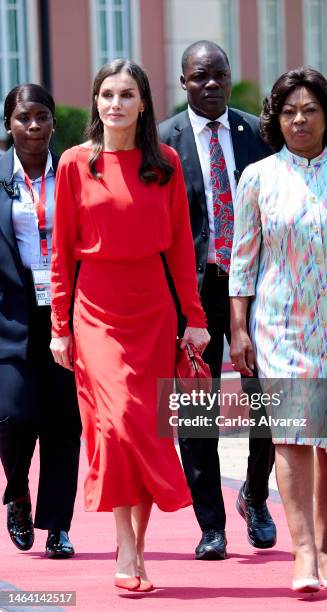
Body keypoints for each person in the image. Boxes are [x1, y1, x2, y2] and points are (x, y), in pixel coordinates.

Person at [49, 59, 209, 591]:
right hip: (95, 308)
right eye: (107, 94)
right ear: (96, 102)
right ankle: (124, 541)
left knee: (144, 429)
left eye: (127, 94)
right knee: (117, 427)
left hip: (153, 308)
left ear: (143, 104)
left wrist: (195, 318)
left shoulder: (162, 162)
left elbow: (183, 250)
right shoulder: (75, 163)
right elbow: (62, 251)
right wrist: (60, 325)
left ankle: (137, 547)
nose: (115, 103)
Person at [229, 67, 327, 592]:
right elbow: (243, 259)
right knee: (292, 435)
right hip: (280, 324)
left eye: (310, 109)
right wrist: (239, 328)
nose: (299, 119)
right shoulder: (258, 177)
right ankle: (302, 556)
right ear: (275, 119)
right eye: (289, 110)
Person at [159, 40, 276, 560]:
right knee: (196, 409)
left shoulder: (258, 134)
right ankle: (210, 524)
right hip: (194, 291)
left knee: (269, 399)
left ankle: (255, 494)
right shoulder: (162, 141)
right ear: (183, 81)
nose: (211, 85)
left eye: (219, 75)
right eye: (199, 76)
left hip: (257, 288)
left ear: (230, 78)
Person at [0, 84, 81, 558]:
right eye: (23, 117)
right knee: (13, 413)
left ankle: (58, 526)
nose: (33, 126)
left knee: (63, 422)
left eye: (42, 116)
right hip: (10, 314)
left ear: (53, 121)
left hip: (68, 313)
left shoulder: (73, 172)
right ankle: (17, 492)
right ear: (9, 124)